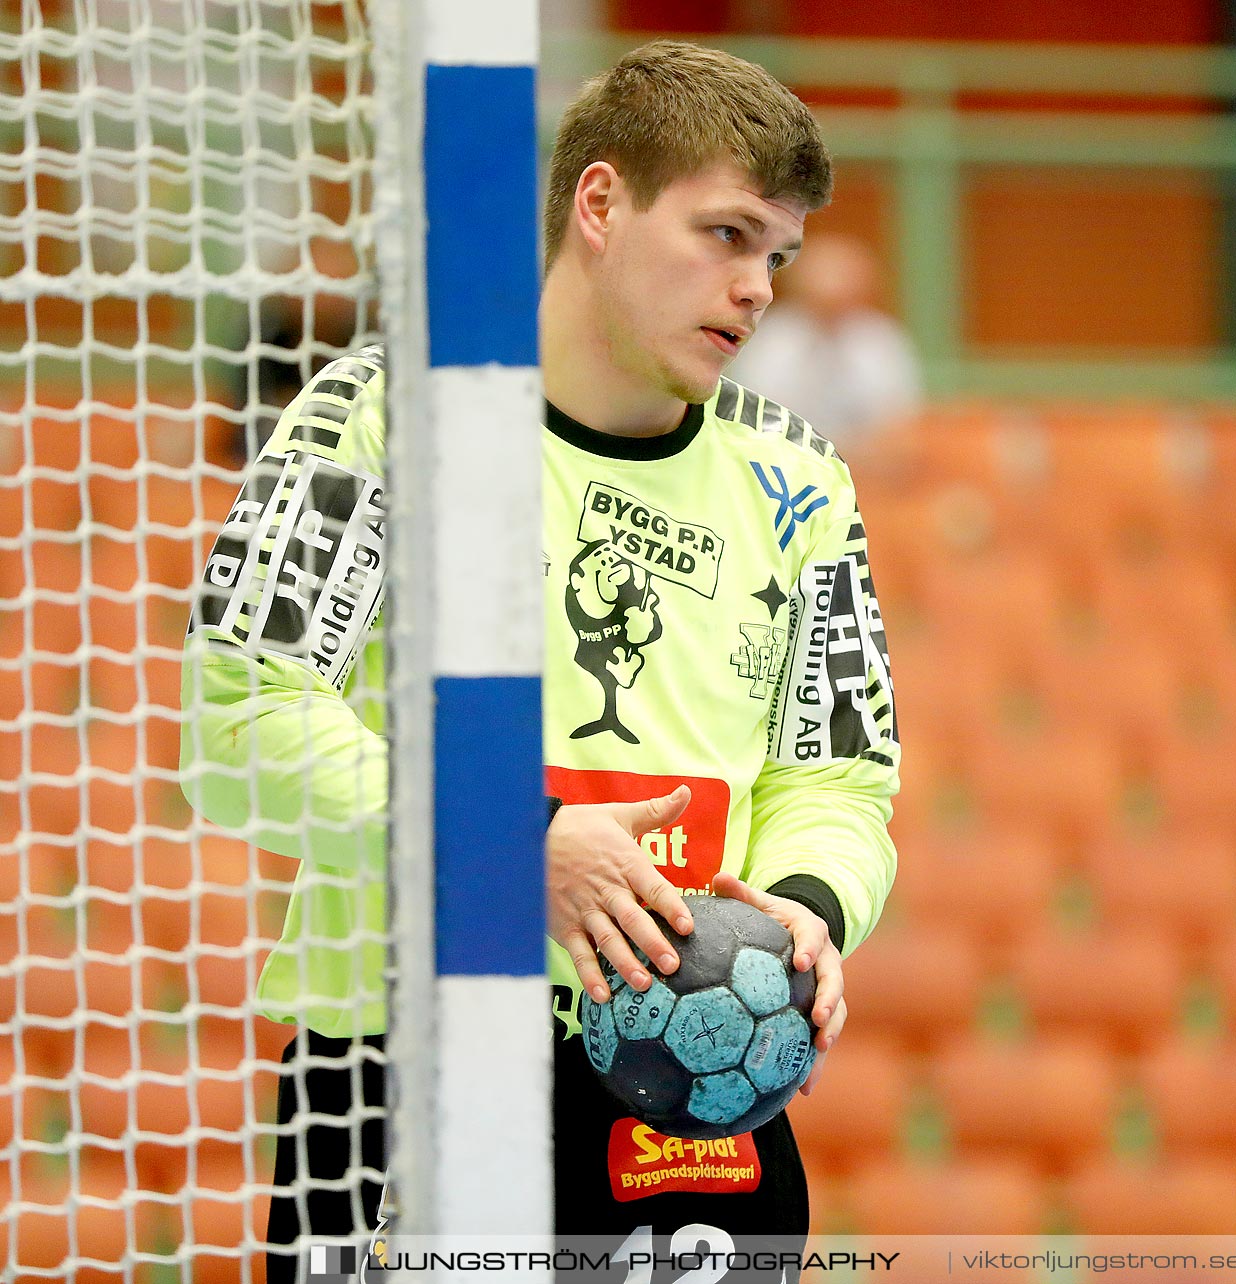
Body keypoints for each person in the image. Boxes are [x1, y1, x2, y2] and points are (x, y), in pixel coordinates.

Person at [180, 40, 899, 1279]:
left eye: (776, 255)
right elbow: (239, 726)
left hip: (697, 1077)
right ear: (602, 204)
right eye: (725, 236)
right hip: (400, 1071)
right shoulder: (377, 419)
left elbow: (840, 778)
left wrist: (811, 908)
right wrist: (513, 841)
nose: (758, 291)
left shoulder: (802, 482)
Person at [722, 232, 922, 448]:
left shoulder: (882, 339)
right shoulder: (768, 339)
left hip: (865, 467)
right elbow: (751, 418)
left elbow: (901, 423)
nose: (832, 305)